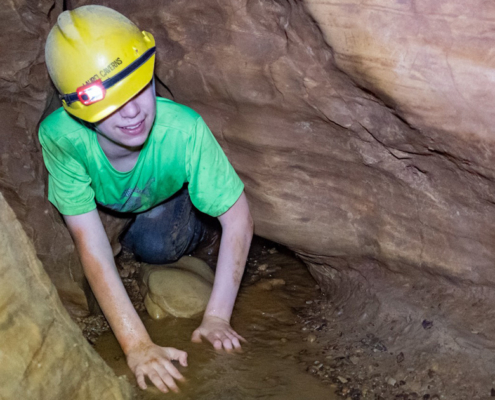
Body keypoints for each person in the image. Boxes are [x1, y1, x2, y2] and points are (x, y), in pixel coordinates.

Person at [39, 5, 253, 394]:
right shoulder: (61, 137)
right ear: (77, 109)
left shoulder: (184, 130)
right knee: (130, 237)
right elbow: (91, 245)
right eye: (112, 104)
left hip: (169, 201)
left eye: (139, 87)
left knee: (156, 243)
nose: (133, 111)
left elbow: (238, 216)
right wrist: (136, 345)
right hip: (114, 206)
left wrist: (217, 317)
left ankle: (197, 238)